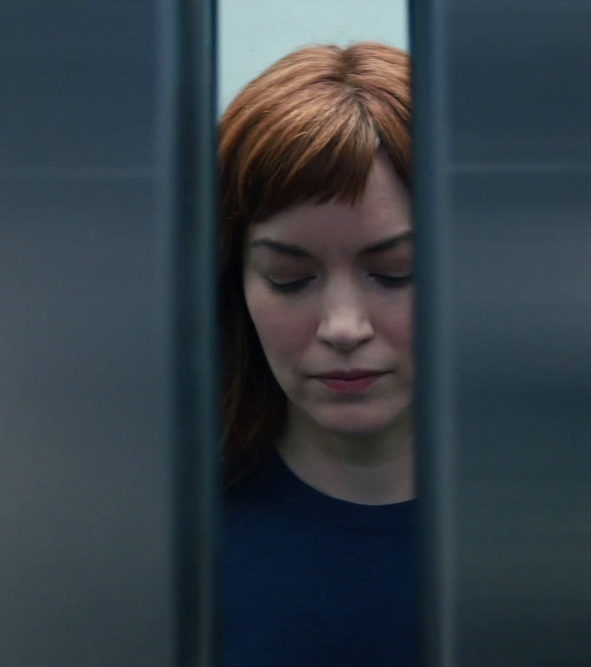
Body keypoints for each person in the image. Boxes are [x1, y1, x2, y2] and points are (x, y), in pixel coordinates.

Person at [217, 42, 418, 667]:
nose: (344, 326)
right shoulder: (163, 541)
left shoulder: (563, 535)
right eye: (288, 278)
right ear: (235, 284)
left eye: (394, 271)